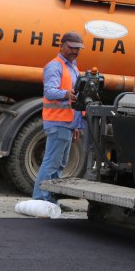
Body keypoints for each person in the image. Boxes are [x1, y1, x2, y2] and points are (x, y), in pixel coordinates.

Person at [32, 31, 86, 203]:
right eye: (71, 47)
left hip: (67, 123)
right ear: (61, 46)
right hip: (57, 122)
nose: (74, 51)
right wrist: (67, 94)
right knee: (51, 163)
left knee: (59, 164)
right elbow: (50, 91)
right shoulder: (55, 66)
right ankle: (40, 199)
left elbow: (77, 99)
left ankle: (50, 200)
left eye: (78, 49)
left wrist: (76, 124)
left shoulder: (73, 67)